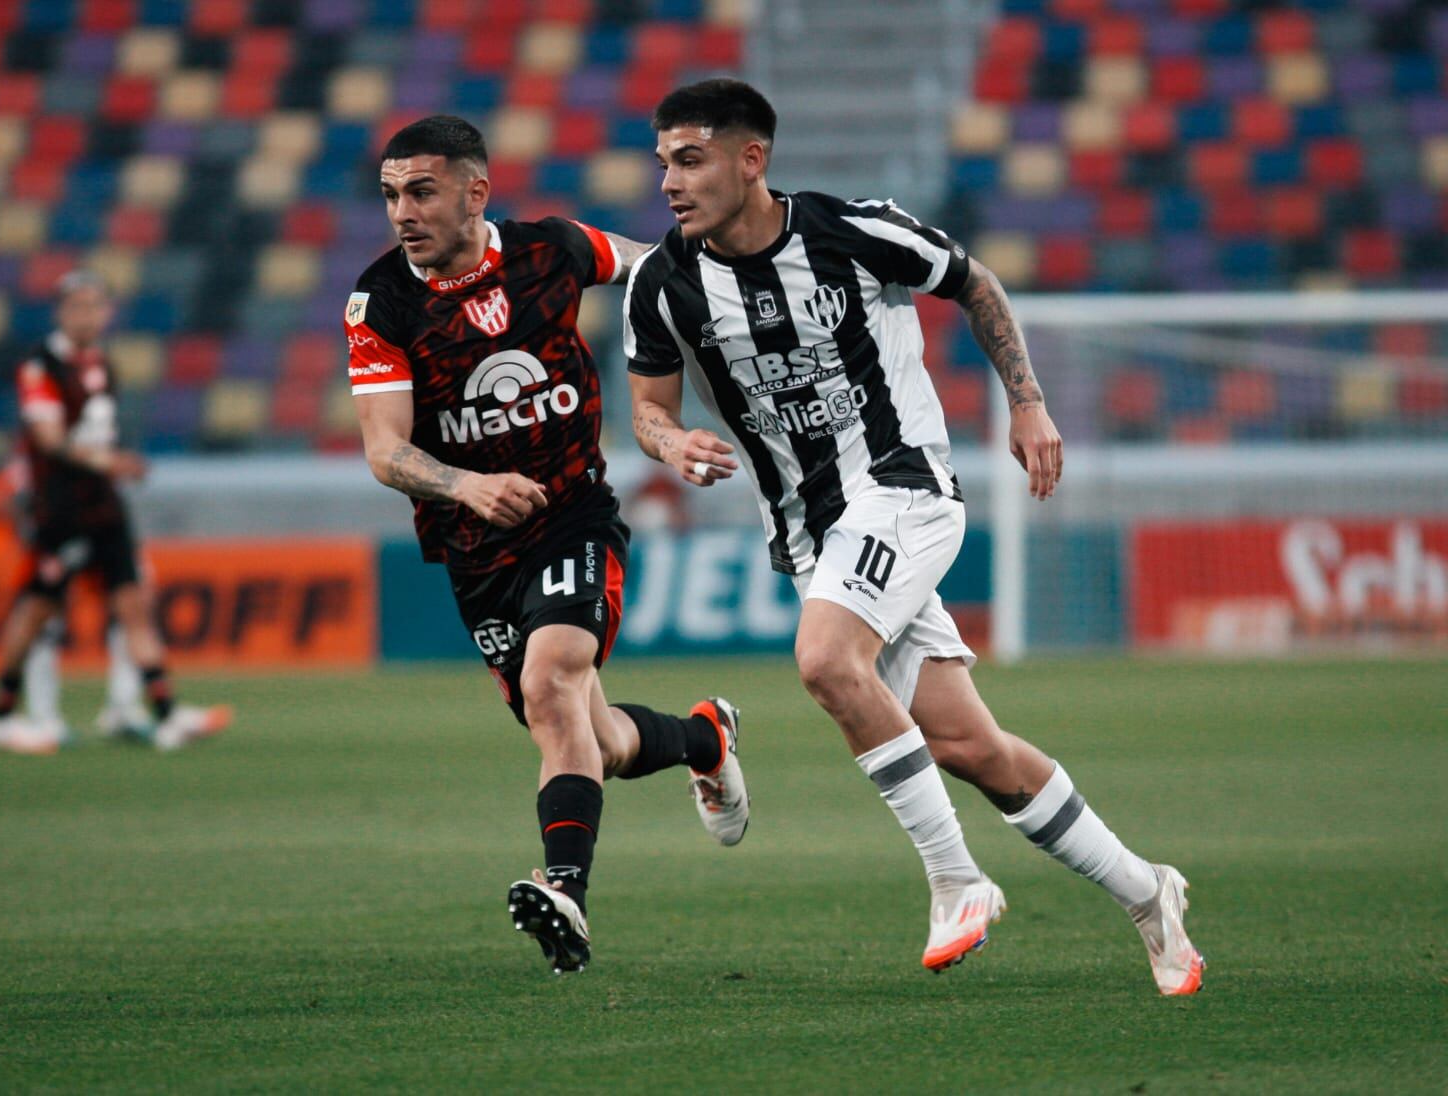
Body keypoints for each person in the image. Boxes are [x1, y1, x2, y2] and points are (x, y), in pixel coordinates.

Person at [624, 79, 1203, 995]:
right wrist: (672, 442)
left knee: (824, 661)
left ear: (751, 159)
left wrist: (1028, 400)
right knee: (974, 751)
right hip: (813, 536)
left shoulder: (852, 232)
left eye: (689, 160)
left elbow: (975, 283)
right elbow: (648, 408)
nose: (670, 183)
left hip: (904, 488)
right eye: (663, 164)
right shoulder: (663, 284)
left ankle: (956, 879)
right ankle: (1146, 892)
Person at [347, 115, 749, 974]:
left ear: (475, 192)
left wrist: (724, 338)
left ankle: (563, 887)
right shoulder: (380, 302)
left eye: (421, 191)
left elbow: (658, 265)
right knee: (587, 737)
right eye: (390, 196)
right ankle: (705, 739)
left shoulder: (555, 250)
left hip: (572, 515)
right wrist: (466, 486)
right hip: (472, 546)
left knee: (554, 676)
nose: (402, 213)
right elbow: (385, 450)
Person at [0, 271, 232, 755]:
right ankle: (2, 715)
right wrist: (110, 462)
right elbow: (49, 440)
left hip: (104, 507)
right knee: (37, 611)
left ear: (108, 312)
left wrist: (112, 466)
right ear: (60, 312)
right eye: (77, 306)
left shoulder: (102, 365)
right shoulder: (41, 366)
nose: (87, 315)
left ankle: (165, 712)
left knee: (134, 602)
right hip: (60, 511)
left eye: (95, 306)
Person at [0, 455, 152, 744]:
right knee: (45, 625)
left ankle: (122, 707)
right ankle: (40, 717)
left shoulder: (84, 456)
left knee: (129, 613)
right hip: (58, 547)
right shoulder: (37, 463)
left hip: (88, 545)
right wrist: (32, 525)